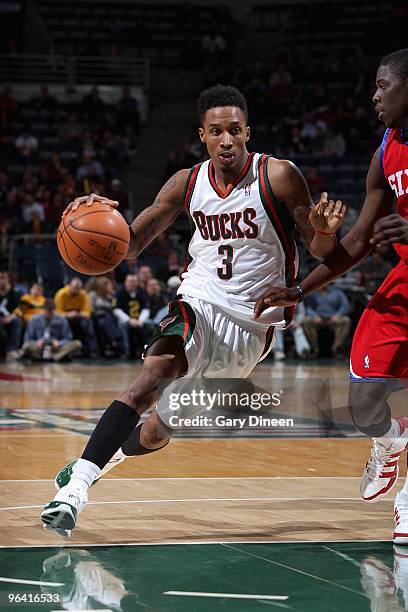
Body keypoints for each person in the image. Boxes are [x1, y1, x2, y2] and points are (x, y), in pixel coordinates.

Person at [40, 84, 345, 535]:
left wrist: (324, 232)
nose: (227, 140)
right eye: (217, 131)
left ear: (248, 133)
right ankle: (74, 492)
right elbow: (130, 243)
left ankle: (103, 460)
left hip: (250, 327)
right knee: (152, 373)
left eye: (235, 131)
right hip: (197, 302)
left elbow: (321, 250)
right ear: (201, 134)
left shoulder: (278, 175)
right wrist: (94, 215)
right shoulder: (186, 181)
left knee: (157, 431)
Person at [253, 49, 408, 544]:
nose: (374, 95)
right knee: (364, 404)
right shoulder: (387, 146)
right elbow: (360, 239)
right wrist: (300, 288)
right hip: (403, 285)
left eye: (383, 86)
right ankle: (391, 442)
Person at [303, 284, 351, 359]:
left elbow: (345, 306)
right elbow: (308, 307)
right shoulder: (313, 293)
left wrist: (337, 315)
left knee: (346, 320)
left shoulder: (338, 293)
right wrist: (315, 316)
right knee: (306, 320)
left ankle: (336, 349)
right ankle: (315, 349)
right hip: (318, 319)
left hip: (333, 319)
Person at [54, 278, 98, 358]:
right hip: (65, 318)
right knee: (64, 322)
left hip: (78, 317)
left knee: (88, 322)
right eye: (74, 288)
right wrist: (67, 314)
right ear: (69, 286)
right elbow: (57, 313)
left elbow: (87, 313)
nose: (76, 291)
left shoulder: (83, 294)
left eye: (78, 289)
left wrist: (77, 314)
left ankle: (92, 350)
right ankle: (68, 349)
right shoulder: (61, 294)